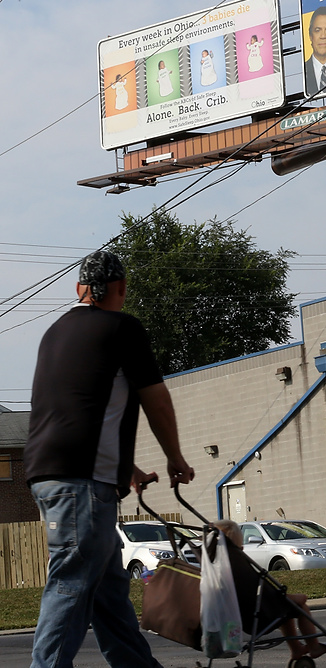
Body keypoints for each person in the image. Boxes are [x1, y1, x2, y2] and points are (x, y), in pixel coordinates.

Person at [24, 250, 194, 668]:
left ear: (79, 289)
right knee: (71, 582)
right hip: (82, 482)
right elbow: (156, 400)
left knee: (107, 589)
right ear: (118, 289)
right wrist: (175, 457)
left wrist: (126, 468)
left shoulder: (55, 333)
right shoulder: (122, 328)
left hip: (47, 475)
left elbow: (76, 410)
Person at [214, 520, 326, 662]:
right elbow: (264, 591)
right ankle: (314, 647)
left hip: (239, 617)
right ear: (238, 544)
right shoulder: (240, 566)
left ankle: (296, 650)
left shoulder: (218, 569)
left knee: (285, 610)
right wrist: (290, 596)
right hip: (258, 617)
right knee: (300, 604)